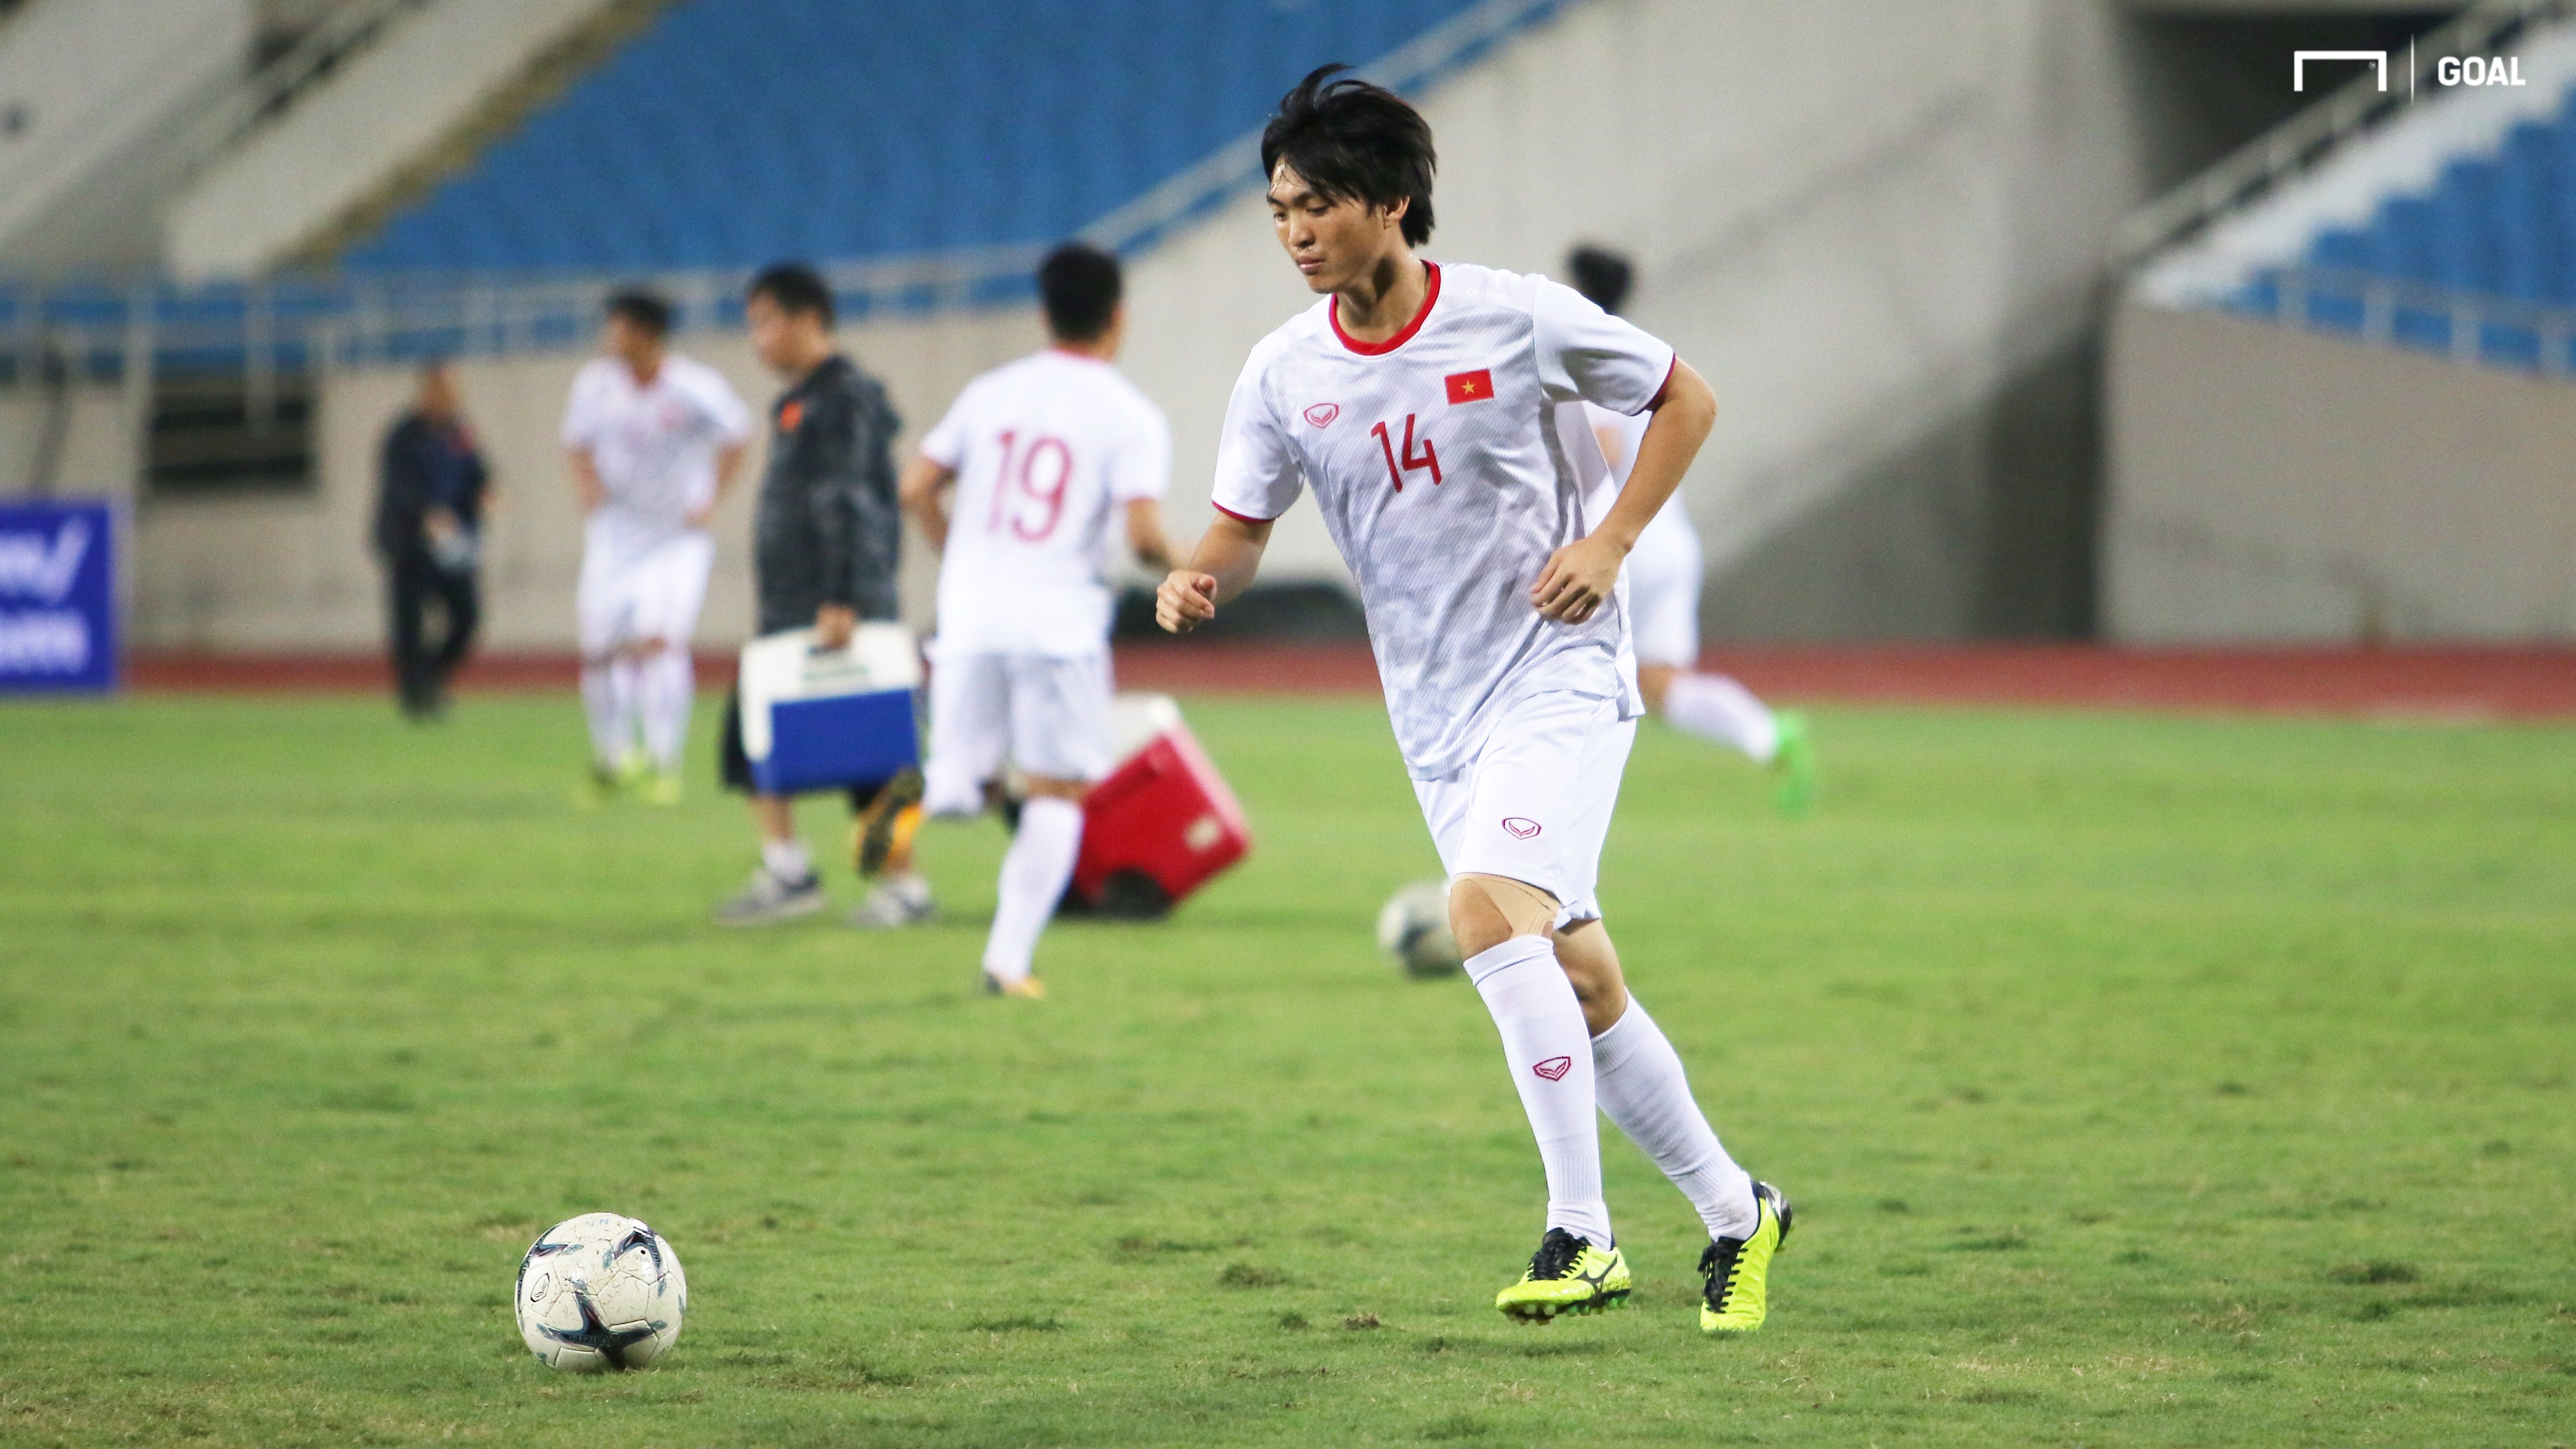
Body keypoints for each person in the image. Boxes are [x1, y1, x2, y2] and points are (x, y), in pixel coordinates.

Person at [1155, 66, 1789, 1333]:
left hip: (1559, 671)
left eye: (1316, 204)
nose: (1292, 231)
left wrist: (1607, 543)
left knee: (1481, 911)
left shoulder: (1516, 318)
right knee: (1584, 981)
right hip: (1434, 714)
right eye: (1278, 208)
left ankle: (1582, 1233)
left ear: (1389, 202)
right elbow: (1237, 530)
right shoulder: (1283, 372)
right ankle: (1737, 1212)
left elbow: (1686, 398)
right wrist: (1195, 579)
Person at [902, 242, 1176, 997]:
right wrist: (1186, 568)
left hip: (972, 615)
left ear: (1045, 313)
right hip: (1056, 623)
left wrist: (957, 555)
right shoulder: (1129, 415)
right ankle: (1007, 963)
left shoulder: (991, 392)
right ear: (1117, 319)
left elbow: (918, 484)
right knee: (1056, 793)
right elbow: (1146, 535)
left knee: (962, 787)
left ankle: (913, 811)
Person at [1564, 245, 1816, 815]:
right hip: (1670, 539)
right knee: (1661, 684)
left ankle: (1549, 808)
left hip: (1623, 545)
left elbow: (1599, 446)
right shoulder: (1642, 352)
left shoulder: (1585, 355)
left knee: (1568, 672)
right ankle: (1768, 735)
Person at [712, 264, 928, 928]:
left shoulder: (841, 399)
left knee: (873, 753)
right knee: (753, 742)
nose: (758, 340)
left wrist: (843, 596)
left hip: (828, 605)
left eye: (766, 322)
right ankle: (795, 872)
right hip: (794, 604)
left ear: (808, 319)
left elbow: (852, 502)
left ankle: (895, 886)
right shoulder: (804, 399)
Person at [562, 288, 752, 804]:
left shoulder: (693, 388)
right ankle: (615, 758)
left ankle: (663, 762)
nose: (609, 339)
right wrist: (585, 484)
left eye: (618, 327)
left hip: (675, 539)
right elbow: (575, 442)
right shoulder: (594, 386)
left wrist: (711, 496)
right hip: (614, 534)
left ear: (646, 333)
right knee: (600, 649)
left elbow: (739, 434)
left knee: (660, 640)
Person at [373, 360, 490, 718]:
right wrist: (426, 514)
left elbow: (477, 472)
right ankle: (414, 694)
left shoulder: (459, 431)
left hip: (453, 545)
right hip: (411, 544)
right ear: (429, 390)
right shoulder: (403, 435)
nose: (454, 396)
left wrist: (486, 493)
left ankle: (433, 679)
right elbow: (397, 487)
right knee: (409, 622)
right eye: (447, 389)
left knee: (466, 616)